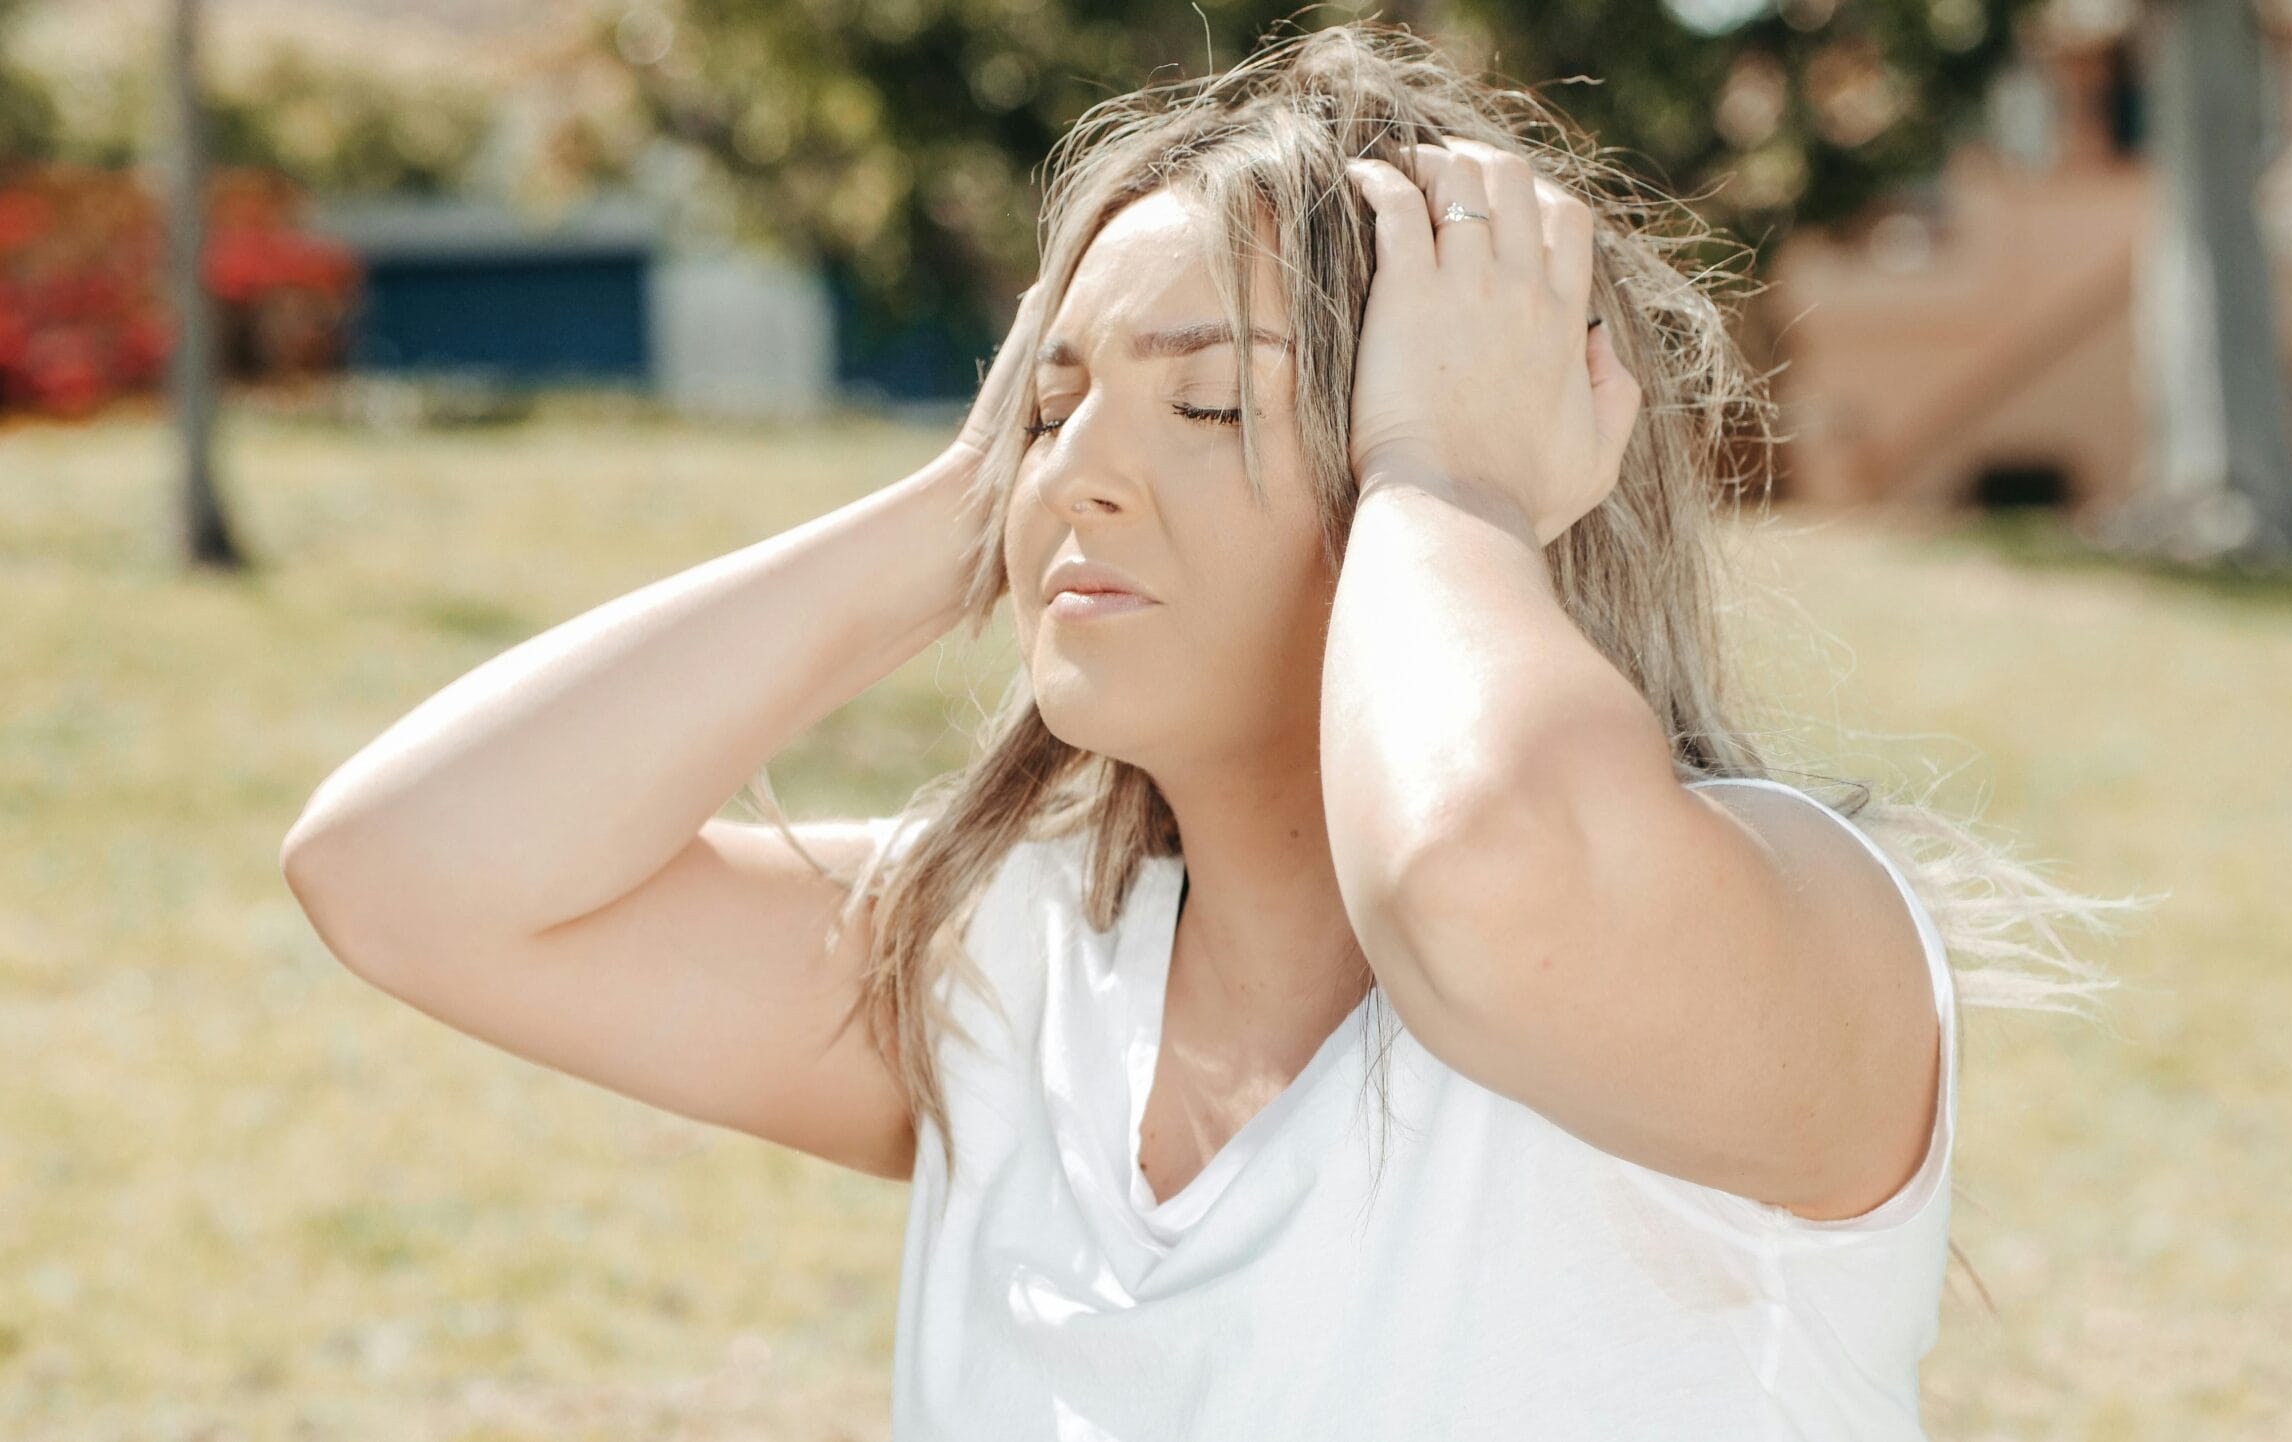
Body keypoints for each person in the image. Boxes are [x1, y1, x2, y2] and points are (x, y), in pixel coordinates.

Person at [281, 21, 2135, 1440]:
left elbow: (1482, 870)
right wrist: (961, 506)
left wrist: (1451, 484)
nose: (1081, 470)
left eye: (1211, 408)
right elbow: (406, 874)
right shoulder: (1013, 966)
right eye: (1057, 397)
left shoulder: (1777, 923)